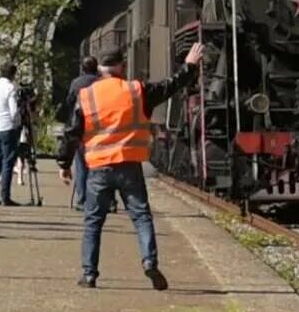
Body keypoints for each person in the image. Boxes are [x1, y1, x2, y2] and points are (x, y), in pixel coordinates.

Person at [60, 46, 199, 289]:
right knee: (142, 217)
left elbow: (72, 133)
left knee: (93, 222)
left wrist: (64, 163)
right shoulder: (137, 90)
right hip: (129, 166)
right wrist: (190, 66)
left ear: (100, 70)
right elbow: (170, 86)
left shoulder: (87, 96)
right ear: (122, 67)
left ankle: (89, 275)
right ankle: (149, 262)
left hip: (99, 170)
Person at [59, 55, 99, 210]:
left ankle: (81, 200)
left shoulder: (76, 83)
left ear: (82, 68)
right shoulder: (101, 82)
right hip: (98, 129)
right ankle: (105, 201)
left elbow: (69, 102)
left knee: (81, 165)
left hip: (80, 128)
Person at [0, 61, 23, 207]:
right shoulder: (11, 88)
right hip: (8, 127)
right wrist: (17, 124)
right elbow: (13, 111)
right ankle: (5, 196)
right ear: (13, 74)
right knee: (8, 162)